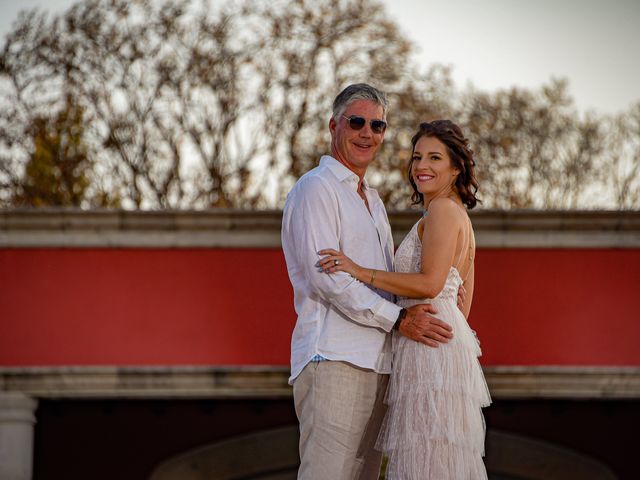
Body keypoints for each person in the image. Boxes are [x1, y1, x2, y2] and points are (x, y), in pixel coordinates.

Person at [281, 84, 456, 480]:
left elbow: (385, 280)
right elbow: (329, 280)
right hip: (335, 357)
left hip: (380, 362)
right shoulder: (316, 189)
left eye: (377, 125)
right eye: (356, 122)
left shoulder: (373, 201)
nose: (367, 133)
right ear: (333, 125)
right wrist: (398, 320)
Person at [318, 120, 491, 479]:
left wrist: (358, 270)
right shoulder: (460, 217)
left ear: (455, 167)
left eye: (434, 158)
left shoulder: (443, 210)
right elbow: (463, 306)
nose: (421, 167)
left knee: (426, 454)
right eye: (416, 158)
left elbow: (429, 284)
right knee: (437, 455)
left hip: (429, 348)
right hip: (442, 339)